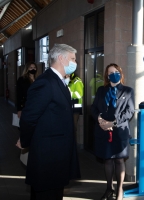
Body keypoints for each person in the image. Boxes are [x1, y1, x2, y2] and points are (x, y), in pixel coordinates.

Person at [17, 44, 81, 199]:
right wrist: (25, 141)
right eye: (72, 59)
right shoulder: (45, 82)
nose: (75, 63)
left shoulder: (59, 81)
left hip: (57, 153)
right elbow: (29, 117)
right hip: (48, 155)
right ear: (61, 58)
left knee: (55, 192)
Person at [91, 63, 135, 200]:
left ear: (120, 73)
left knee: (119, 160)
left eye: (116, 71)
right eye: (110, 72)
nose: (113, 74)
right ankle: (109, 188)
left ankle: (120, 189)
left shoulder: (128, 91)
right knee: (108, 160)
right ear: (107, 76)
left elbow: (130, 111)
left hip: (119, 131)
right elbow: (93, 108)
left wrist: (113, 123)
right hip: (103, 130)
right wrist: (100, 120)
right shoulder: (101, 90)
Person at [66, 72, 84, 140]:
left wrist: (69, 93)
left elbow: (79, 94)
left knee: (73, 128)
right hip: (68, 108)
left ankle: (74, 147)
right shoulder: (67, 81)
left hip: (75, 109)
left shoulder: (77, 80)